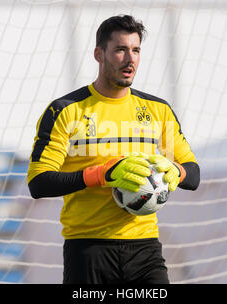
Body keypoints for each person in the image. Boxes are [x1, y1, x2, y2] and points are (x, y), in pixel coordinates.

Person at [27, 15, 200, 284]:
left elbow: (194, 175)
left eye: (136, 50)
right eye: (120, 50)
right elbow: (38, 184)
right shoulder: (66, 111)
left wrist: (175, 171)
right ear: (99, 54)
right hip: (87, 249)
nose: (130, 59)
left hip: (145, 249)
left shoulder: (158, 111)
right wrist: (102, 175)